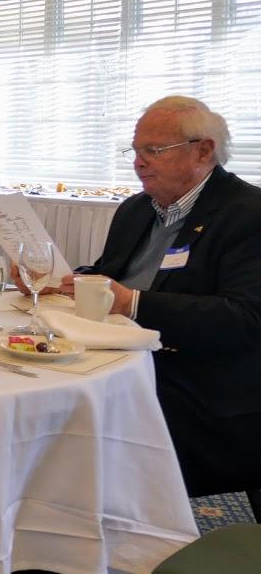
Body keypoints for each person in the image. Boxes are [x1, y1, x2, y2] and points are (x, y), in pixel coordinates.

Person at [15, 95, 261, 498]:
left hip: (199, 385)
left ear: (203, 151)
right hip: (117, 357)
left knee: (62, 415)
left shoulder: (248, 214)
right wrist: (58, 281)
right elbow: (107, 276)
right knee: (29, 380)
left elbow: (244, 318)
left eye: (154, 150)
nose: (139, 163)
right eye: (136, 151)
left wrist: (133, 303)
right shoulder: (137, 209)